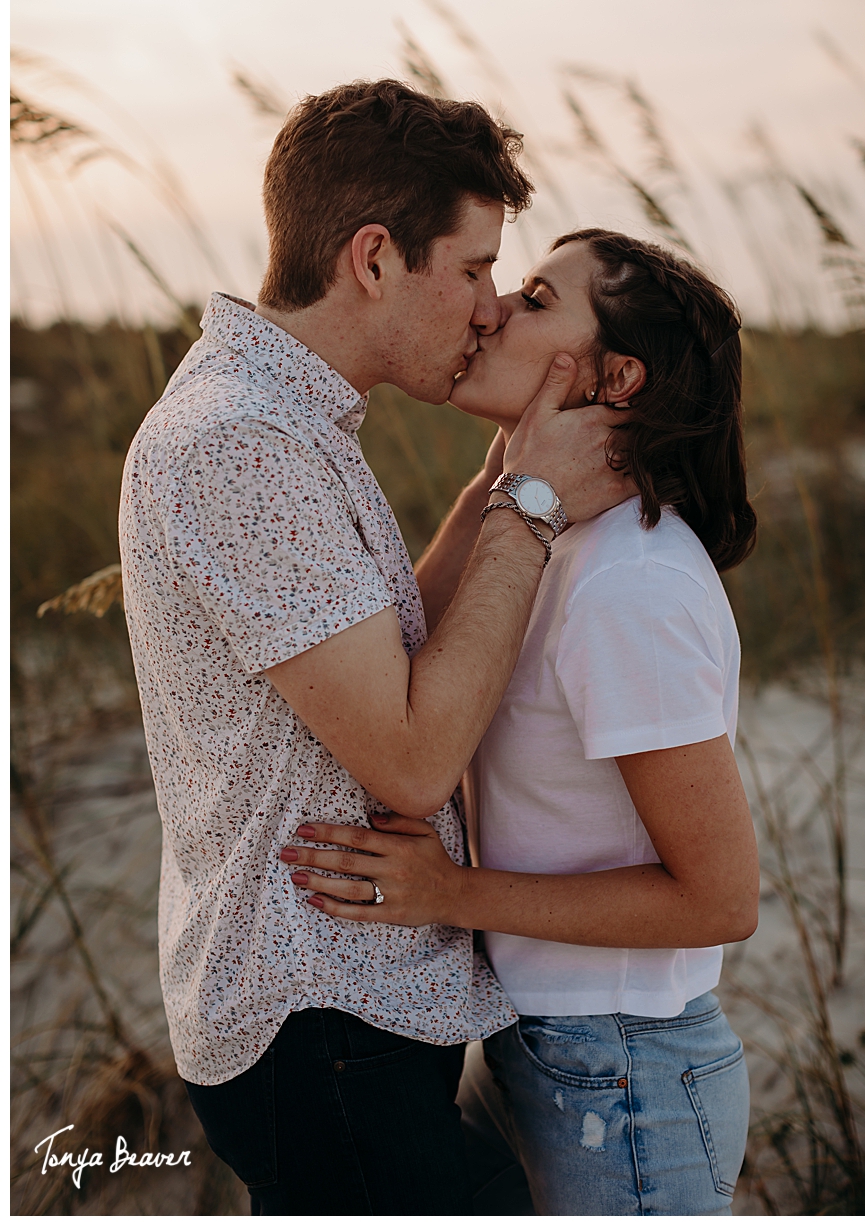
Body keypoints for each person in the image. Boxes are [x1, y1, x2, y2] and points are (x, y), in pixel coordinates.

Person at [118, 79, 627, 1213]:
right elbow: (410, 757)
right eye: (476, 267)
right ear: (375, 258)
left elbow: (398, 646)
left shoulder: (285, 413)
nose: (491, 307)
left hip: (341, 1014)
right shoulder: (241, 445)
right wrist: (532, 506)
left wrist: (504, 477)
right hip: (317, 1024)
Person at [278, 229, 760, 1215]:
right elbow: (399, 692)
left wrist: (451, 891)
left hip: (626, 1067)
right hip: (560, 1046)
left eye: (536, 298)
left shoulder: (631, 582)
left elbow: (720, 899)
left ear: (616, 376)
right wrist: (510, 479)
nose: (493, 309)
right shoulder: (548, 543)